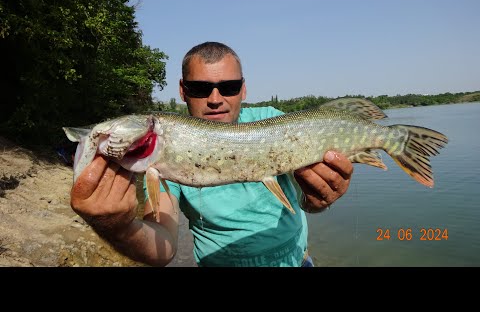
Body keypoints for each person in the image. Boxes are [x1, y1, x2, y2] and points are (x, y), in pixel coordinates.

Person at [70, 41, 353, 267]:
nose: (215, 99)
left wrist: (318, 201)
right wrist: (116, 226)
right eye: (200, 88)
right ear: (182, 90)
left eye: (228, 87)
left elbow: (310, 202)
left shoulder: (275, 121)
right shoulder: (161, 155)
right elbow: (164, 247)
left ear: (243, 89)